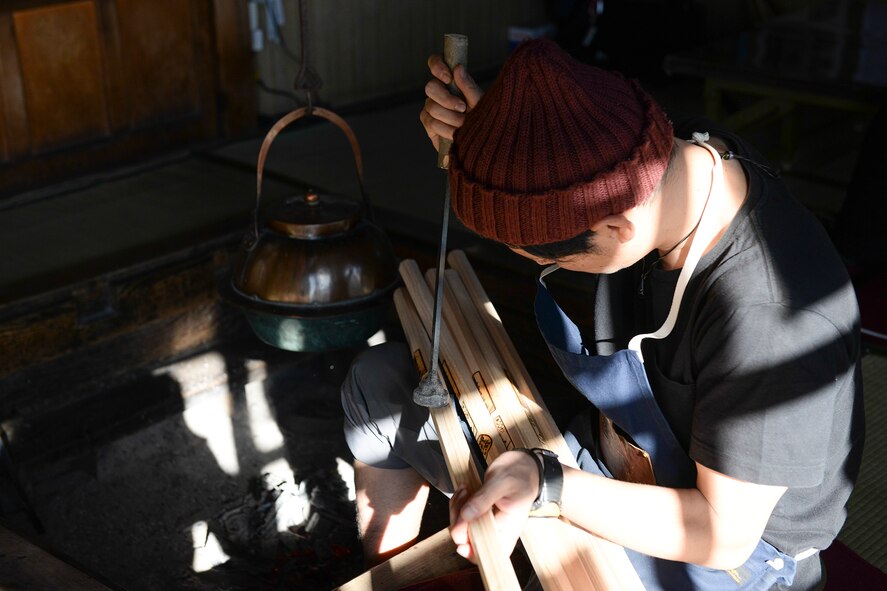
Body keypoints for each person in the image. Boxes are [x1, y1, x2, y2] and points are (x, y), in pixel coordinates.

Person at [341, 39, 864, 590]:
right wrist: (500, 141)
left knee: (559, 574)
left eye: (541, 255)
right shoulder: (661, 154)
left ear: (618, 229)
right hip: (610, 450)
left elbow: (722, 534)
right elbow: (568, 146)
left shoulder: (773, 321)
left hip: (728, 548)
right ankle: (388, 579)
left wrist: (547, 482)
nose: (535, 261)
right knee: (380, 385)